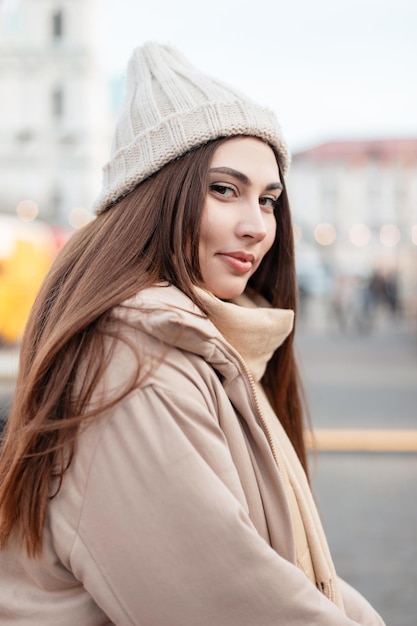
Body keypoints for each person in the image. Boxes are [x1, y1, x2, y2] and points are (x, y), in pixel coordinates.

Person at [0, 42, 385, 625]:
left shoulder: (209, 344)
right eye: (224, 190)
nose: (257, 226)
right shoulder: (134, 364)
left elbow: (288, 576)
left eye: (269, 199)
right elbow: (230, 602)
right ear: (156, 201)